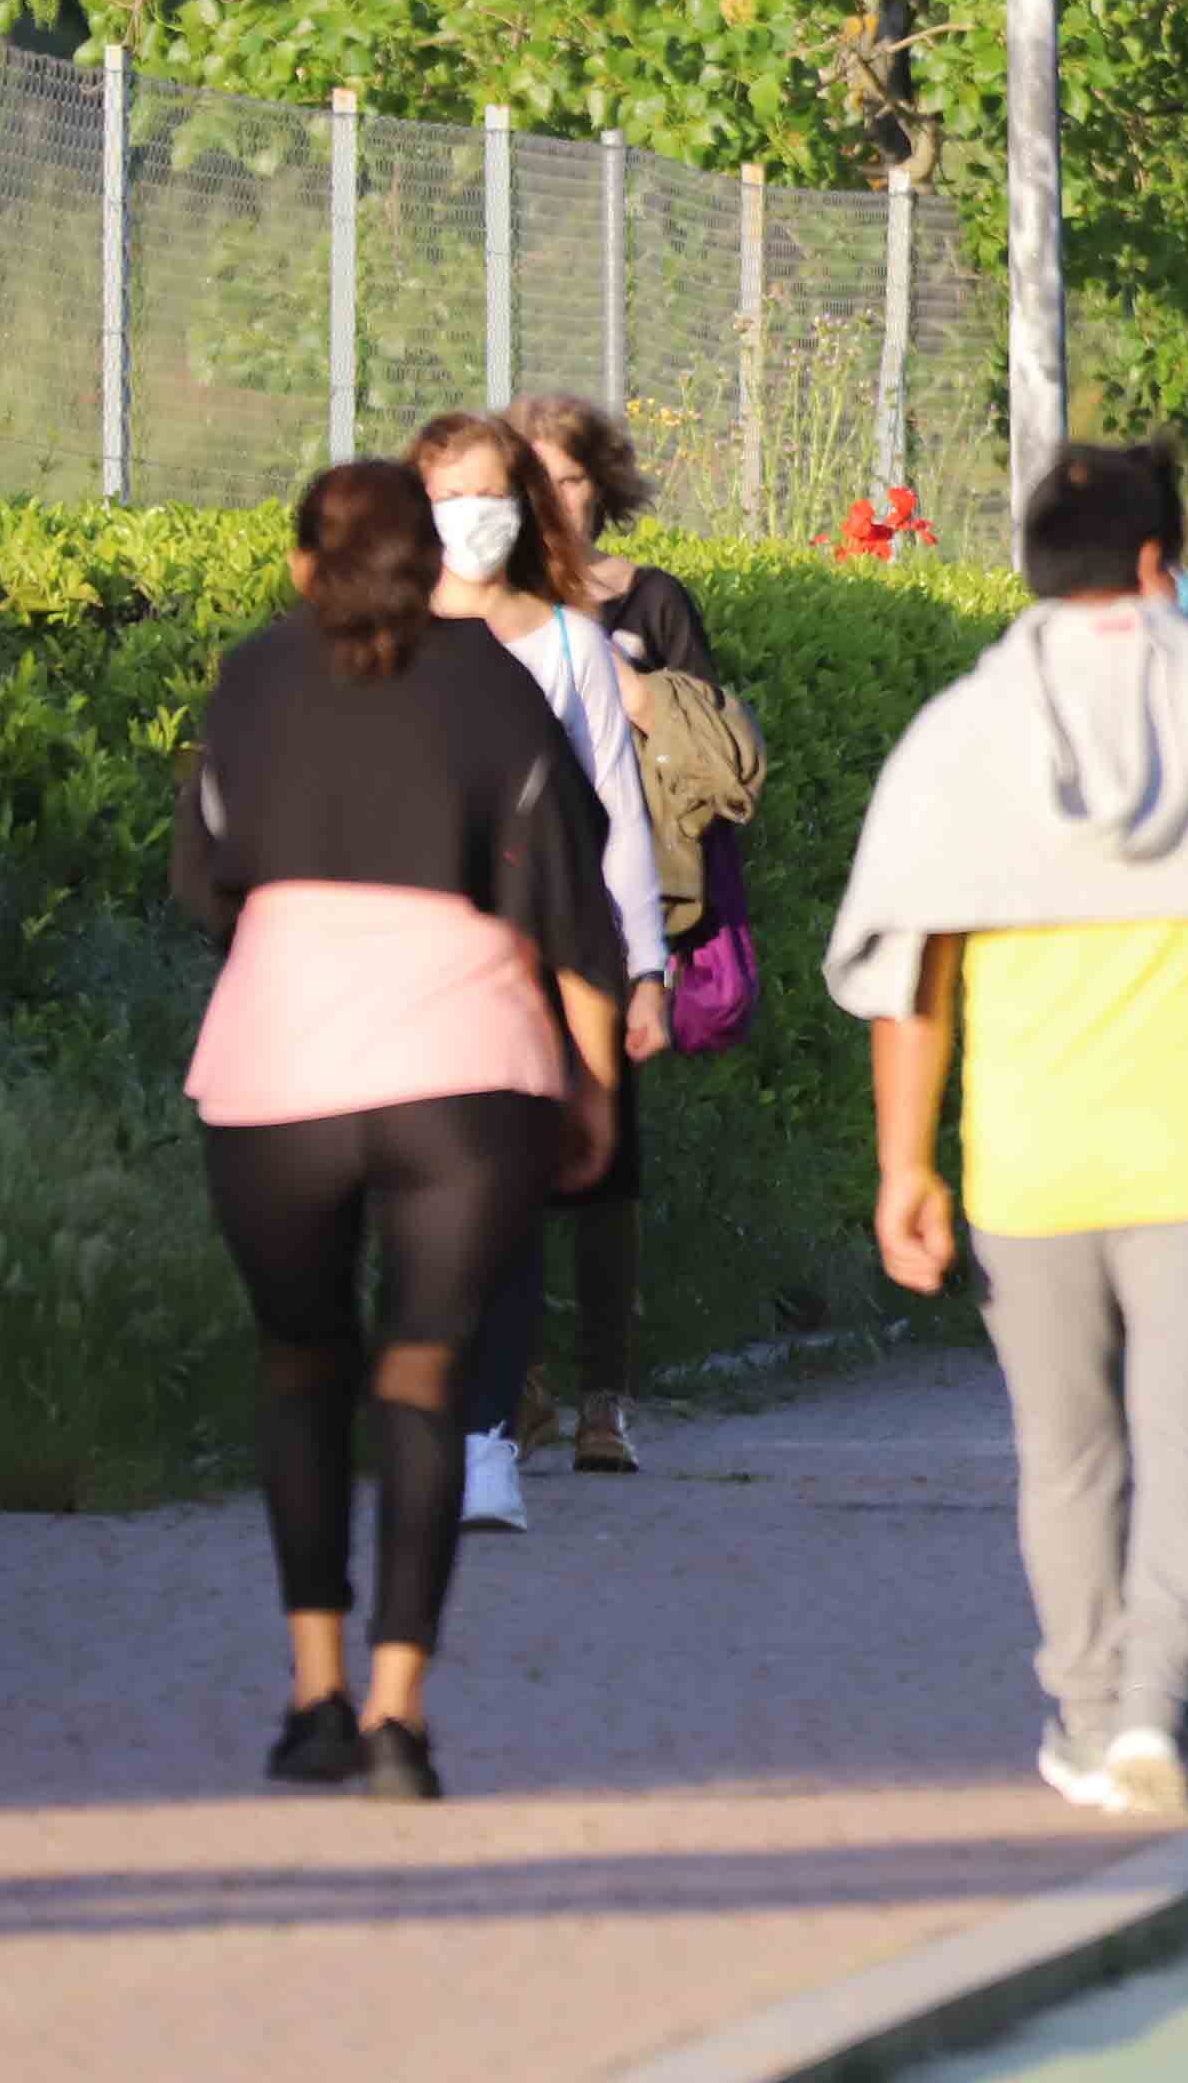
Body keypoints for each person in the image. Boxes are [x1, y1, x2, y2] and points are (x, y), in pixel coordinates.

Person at [829, 445, 1188, 1818]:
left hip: (1032, 1163)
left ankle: (1084, 1711)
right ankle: (1152, 1714)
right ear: (1157, 559)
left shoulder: (956, 737)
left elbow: (914, 977)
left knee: (1065, 1454)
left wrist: (905, 1164)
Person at [174, 462, 627, 1803]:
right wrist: (591, 1082)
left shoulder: (252, 678)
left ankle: (311, 1693)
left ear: (307, 565)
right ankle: (398, 1718)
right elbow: (575, 898)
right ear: (433, 556)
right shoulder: (493, 681)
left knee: (302, 1368)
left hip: (280, 1058)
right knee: (423, 1380)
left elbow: (205, 883)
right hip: (466, 1068)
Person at [412, 410, 672, 1536]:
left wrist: (641, 968)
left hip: (533, 957)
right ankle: (435, 1403)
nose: (476, 515)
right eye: (449, 494)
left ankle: (486, 1437)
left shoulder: (570, 644)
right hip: (405, 959)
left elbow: (616, 819)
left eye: (494, 492)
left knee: (511, 1193)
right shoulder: (382, 638)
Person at [505, 391, 740, 1476]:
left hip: (603, 910)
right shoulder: (482, 604)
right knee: (495, 1152)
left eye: (569, 476)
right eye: (532, 477)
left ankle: (606, 1394)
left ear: (603, 485)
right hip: (499, 917)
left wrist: (627, 684)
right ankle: (518, 1380)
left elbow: (718, 754)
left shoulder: (649, 600)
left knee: (606, 1165)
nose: (552, 497)